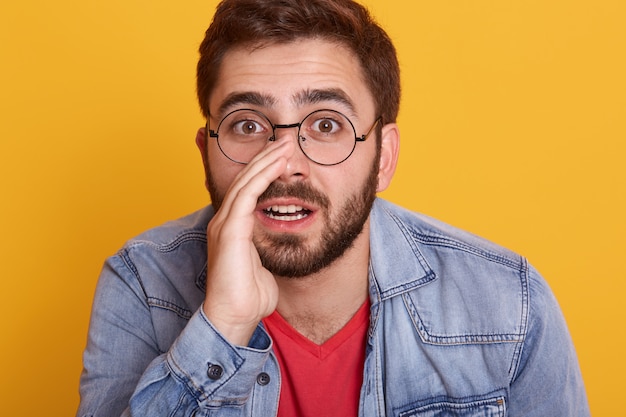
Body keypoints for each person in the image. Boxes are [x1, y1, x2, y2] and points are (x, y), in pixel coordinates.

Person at [77, 0, 590, 415]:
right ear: (206, 151)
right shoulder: (142, 283)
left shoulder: (509, 305)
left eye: (325, 125)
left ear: (383, 157)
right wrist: (221, 327)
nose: (283, 167)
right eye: (248, 125)